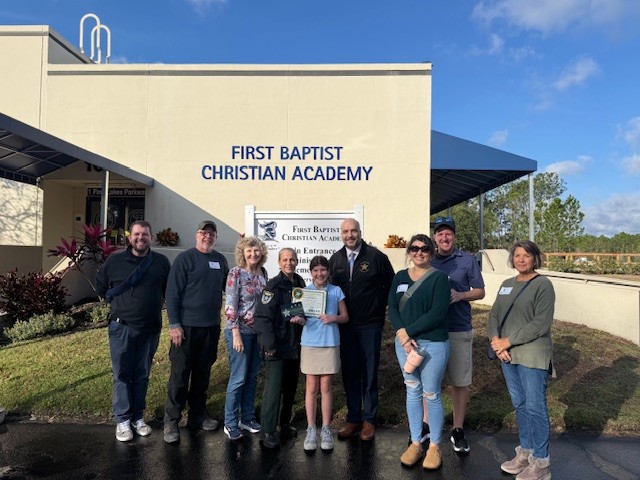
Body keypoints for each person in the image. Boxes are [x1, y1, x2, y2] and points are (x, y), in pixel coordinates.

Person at [96, 220, 171, 442]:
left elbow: (169, 292)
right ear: (130, 238)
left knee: (141, 375)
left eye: (145, 234)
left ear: (152, 237)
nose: (141, 238)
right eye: (137, 234)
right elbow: (101, 287)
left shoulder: (161, 262)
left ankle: (138, 417)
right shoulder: (115, 260)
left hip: (150, 329)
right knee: (122, 375)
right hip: (122, 328)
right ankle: (122, 420)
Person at [488, 240, 555, 480]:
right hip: (507, 355)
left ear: (535, 258)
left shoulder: (543, 285)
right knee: (520, 404)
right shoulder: (506, 284)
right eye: (517, 255)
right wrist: (496, 341)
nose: (521, 259)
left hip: (532, 355)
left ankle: (541, 463)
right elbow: (495, 314)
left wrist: (507, 341)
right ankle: (525, 452)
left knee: (535, 407)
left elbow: (540, 323)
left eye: (526, 255)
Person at [163, 220, 229, 444]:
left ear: (216, 238)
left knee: (202, 376)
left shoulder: (220, 261)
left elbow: (229, 289)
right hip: (186, 329)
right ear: (196, 235)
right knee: (179, 376)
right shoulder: (185, 259)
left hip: (210, 328)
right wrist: (174, 325)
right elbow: (172, 294)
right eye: (203, 232)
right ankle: (171, 421)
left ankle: (197, 416)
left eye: (211, 234)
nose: (207, 236)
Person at [388, 234, 450, 470]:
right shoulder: (400, 277)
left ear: (431, 252)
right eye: (414, 248)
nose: (419, 252)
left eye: (424, 249)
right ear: (409, 251)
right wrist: (402, 333)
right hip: (405, 344)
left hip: (433, 343)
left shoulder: (440, 278)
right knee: (412, 391)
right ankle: (416, 442)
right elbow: (393, 307)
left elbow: (437, 312)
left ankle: (434, 446)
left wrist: (407, 332)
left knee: (431, 394)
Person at [329, 218, 394, 441]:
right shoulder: (335, 260)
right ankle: (353, 417)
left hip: (370, 325)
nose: (350, 235)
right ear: (341, 234)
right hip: (345, 326)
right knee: (350, 373)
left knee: (369, 372)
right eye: (346, 231)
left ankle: (369, 419)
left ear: (359, 232)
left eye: (353, 231)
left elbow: (391, 286)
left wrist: (378, 307)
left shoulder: (376, 257)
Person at [430, 216, 485, 454]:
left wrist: (460, 295)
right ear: (435, 237)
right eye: (440, 233)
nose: (444, 237)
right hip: (431, 330)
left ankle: (458, 429)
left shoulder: (468, 260)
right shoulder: (428, 259)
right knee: (429, 382)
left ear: (454, 236)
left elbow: (480, 291)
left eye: (448, 233)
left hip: (459, 328)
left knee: (459, 382)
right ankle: (427, 427)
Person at [253, 248, 306, 449]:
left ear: (297, 261)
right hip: (276, 346)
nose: (289, 263)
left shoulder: (299, 283)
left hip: (294, 345)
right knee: (273, 389)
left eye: (292, 259)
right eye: (285, 260)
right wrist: (269, 345)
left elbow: (303, 309)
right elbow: (262, 318)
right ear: (279, 262)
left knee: (290, 388)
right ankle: (268, 430)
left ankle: (284, 423)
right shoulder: (273, 286)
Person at [300, 256, 349, 452]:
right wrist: (298, 319)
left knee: (326, 386)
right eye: (315, 271)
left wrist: (333, 317)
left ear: (328, 271)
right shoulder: (304, 292)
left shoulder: (336, 291)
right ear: (311, 272)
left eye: (323, 270)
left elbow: (345, 317)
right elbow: (303, 319)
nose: (319, 274)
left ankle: (326, 429)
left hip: (329, 342)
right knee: (311, 387)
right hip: (310, 343)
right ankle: (311, 429)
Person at [222, 236, 268, 441]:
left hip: (257, 334)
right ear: (243, 252)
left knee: (251, 378)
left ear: (262, 253)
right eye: (249, 251)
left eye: (256, 250)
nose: (253, 254)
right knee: (238, 378)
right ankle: (230, 422)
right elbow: (231, 305)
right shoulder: (236, 273)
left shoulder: (263, 273)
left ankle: (247, 418)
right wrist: (235, 333)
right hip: (239, 333)